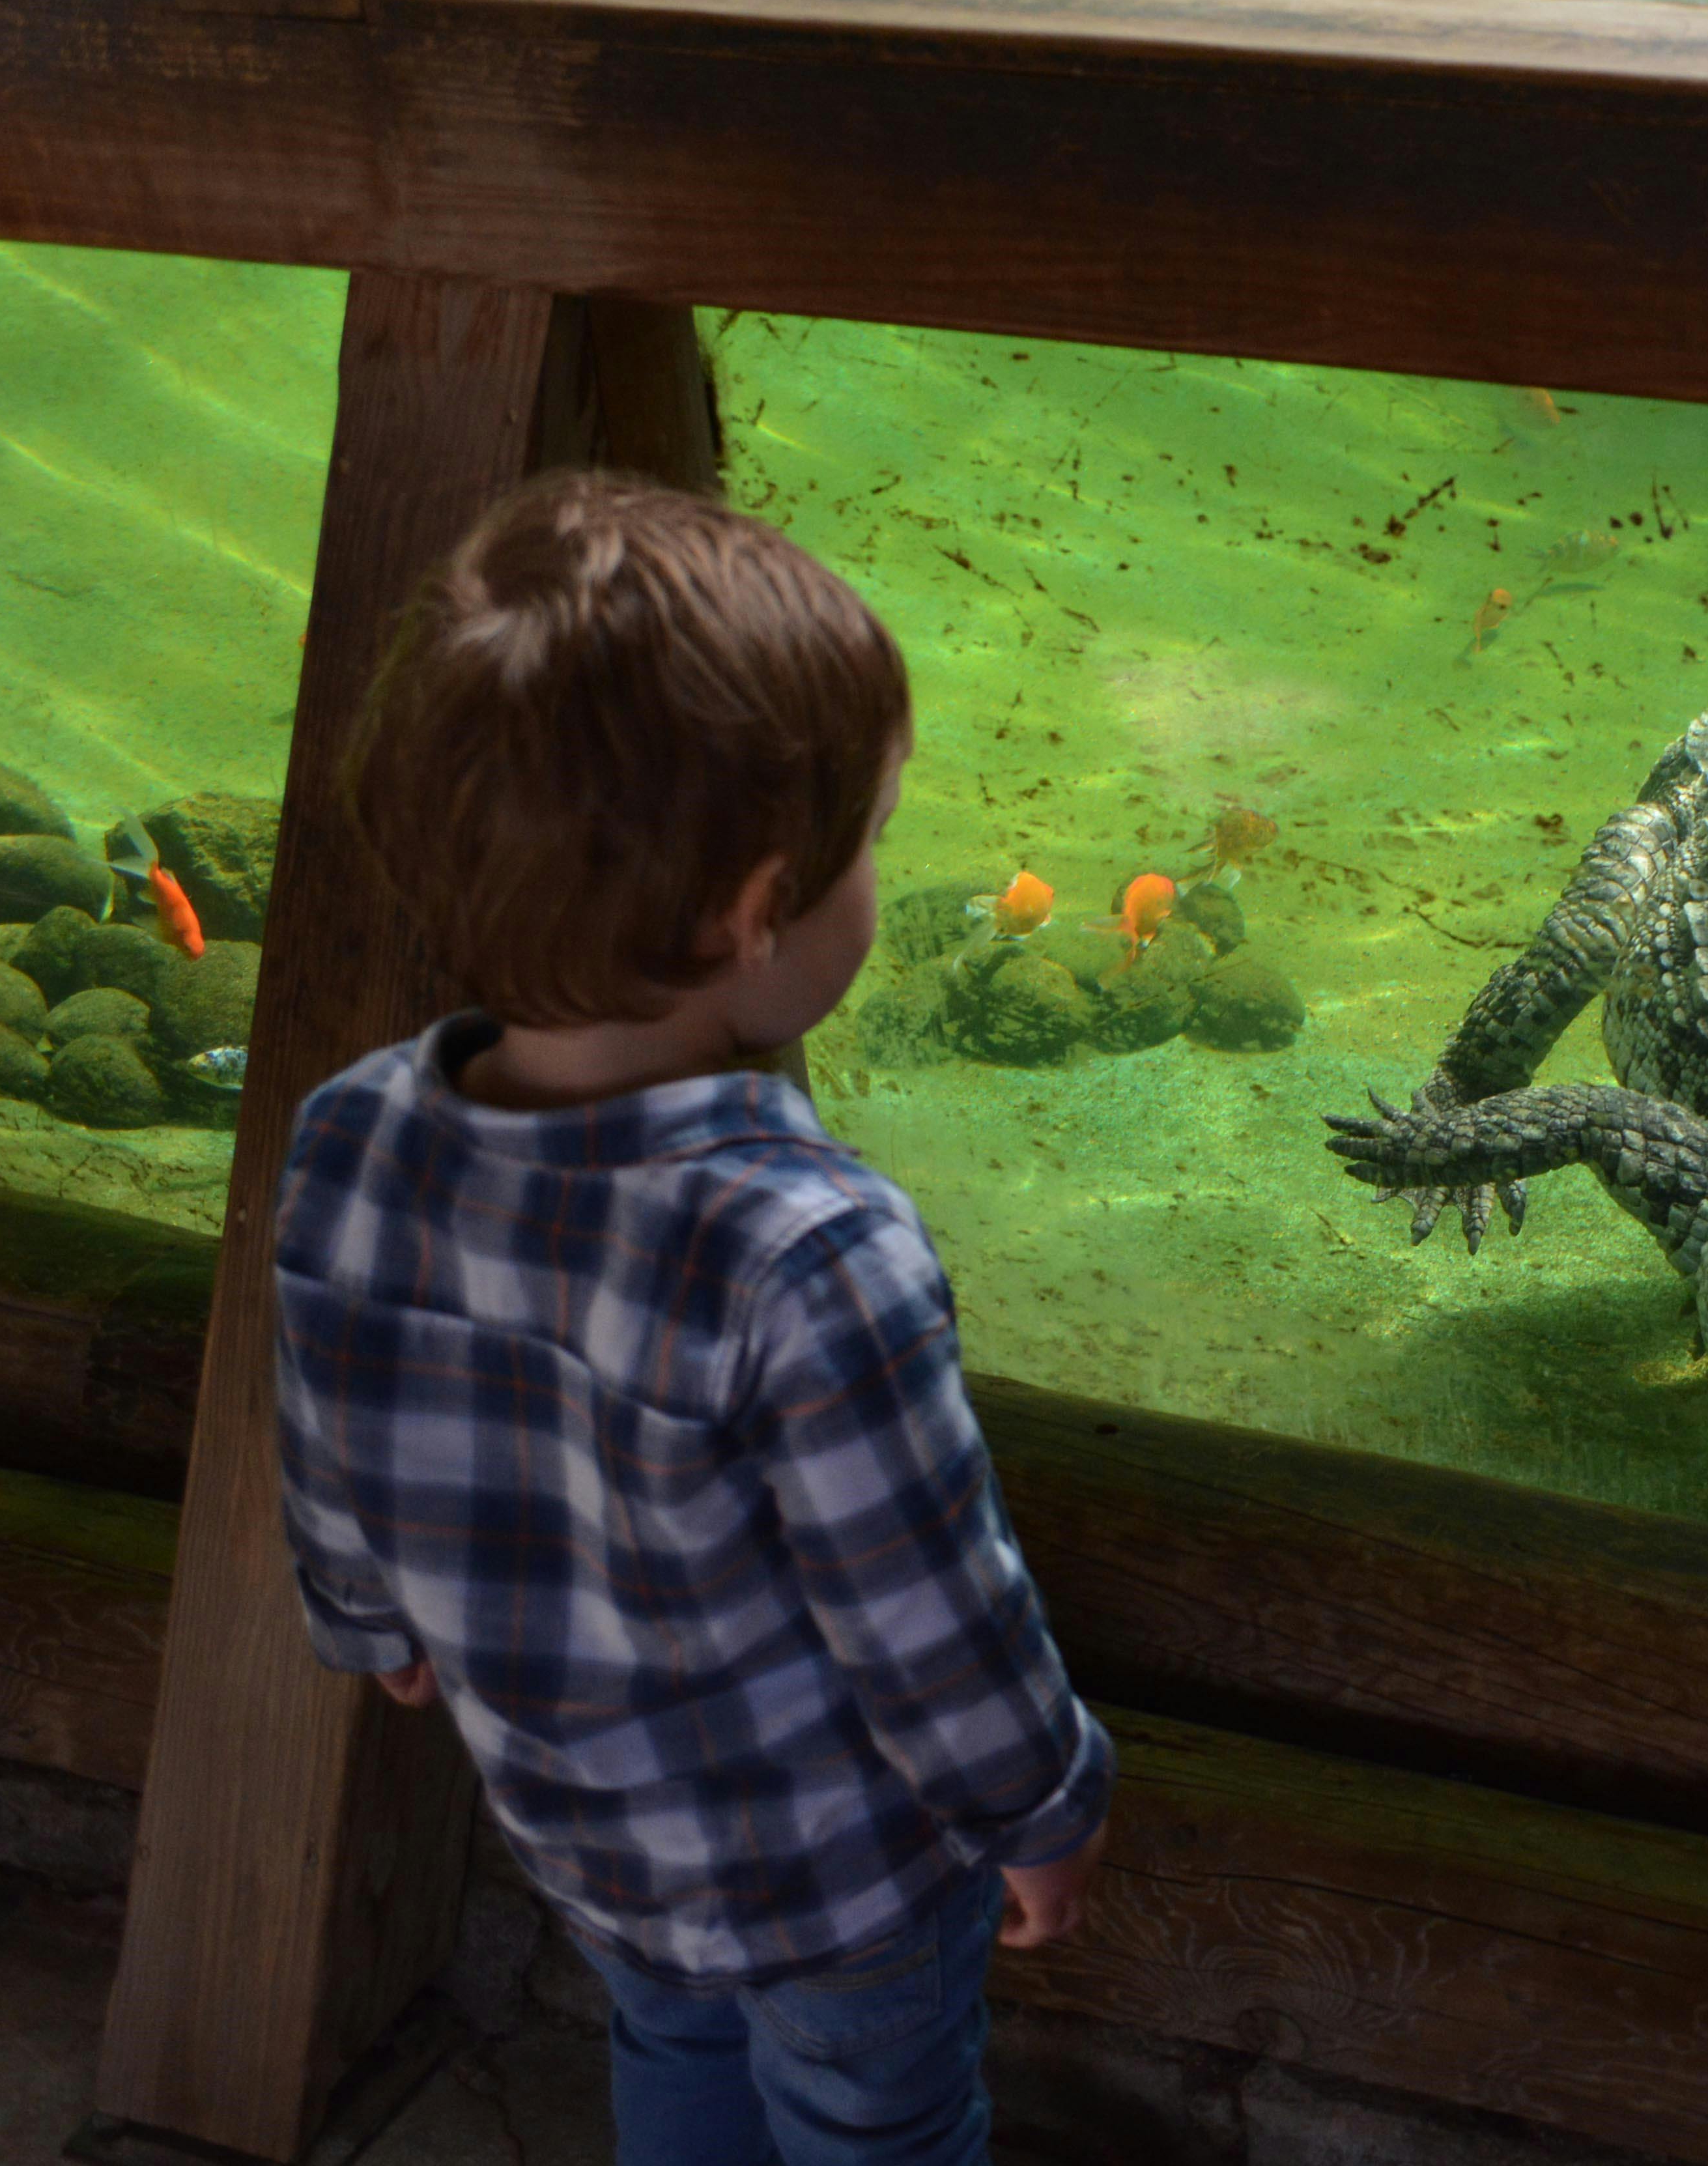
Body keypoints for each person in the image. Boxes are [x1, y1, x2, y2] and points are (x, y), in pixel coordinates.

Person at [277, 471, 1111, 2166]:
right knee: (875, 2124)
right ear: (756, 915)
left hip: (592, 1836)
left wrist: (369, 1621)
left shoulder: (352, 1135)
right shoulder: (811, 1259)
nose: (883, 870)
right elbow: (927, 1611)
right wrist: (1043, 1809)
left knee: (669, 2043)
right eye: (870, 839)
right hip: (842, 1885)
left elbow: (332, 1420)